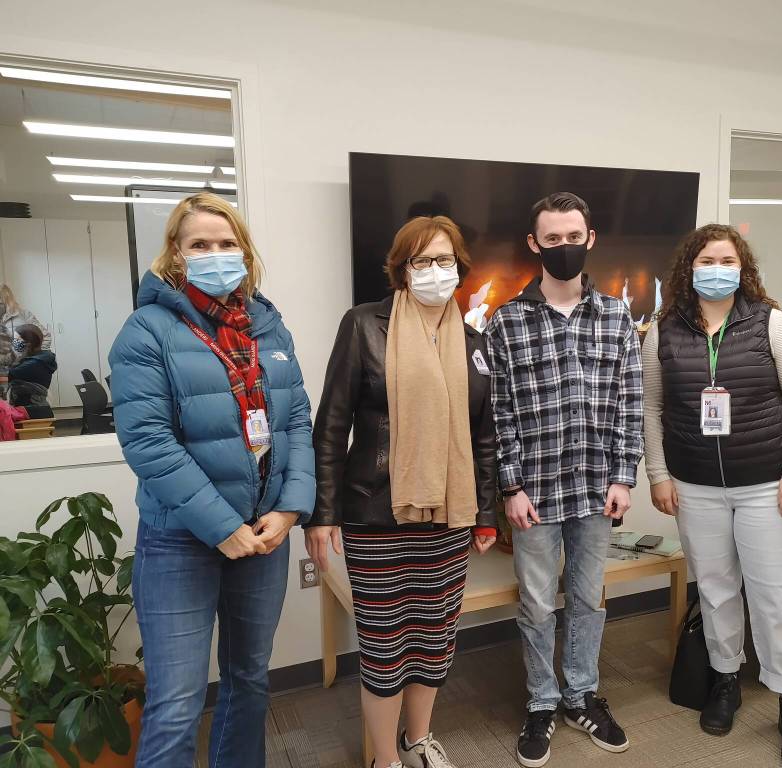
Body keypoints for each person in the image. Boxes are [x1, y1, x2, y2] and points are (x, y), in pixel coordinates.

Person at [108, 192, 315, 768]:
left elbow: (297, 420)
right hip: (181, 541)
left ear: (245, 254)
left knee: (250, 682)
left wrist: (292, 508)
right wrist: (222, 525)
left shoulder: (268, 327)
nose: (215, 255)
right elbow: (149, 442)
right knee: (176, 703)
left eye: (227, 245)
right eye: (200, 245)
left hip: (264, 535)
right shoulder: (145, 332)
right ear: (176, 255)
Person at [306, 215, 498, 768]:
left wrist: (485, 513)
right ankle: (384, 759)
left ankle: (420, 742)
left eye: (443, 261)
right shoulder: (365, 324)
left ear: (459, 269)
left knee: (435, 641)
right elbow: (332, 423)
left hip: (448, 517)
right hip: (374, 510)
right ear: (401, 268)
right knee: (387, 646)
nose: (434, 271)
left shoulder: (475, 341)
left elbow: (484, 435)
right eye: (421, 261)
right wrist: (324, 512)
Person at [642, 224, 782, 768]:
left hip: (767, 485)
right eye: (707, 259)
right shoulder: (663, 329)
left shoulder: (772, 323)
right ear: (689, 268)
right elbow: (650, 407)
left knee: (776, 597)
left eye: (728, 259)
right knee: (715, 591)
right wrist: (658, 474)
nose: (717, 267)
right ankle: (725, 681)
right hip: (695, 486)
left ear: (743, 269)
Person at [485, 192, 643, 768]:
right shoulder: (505, 322)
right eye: (551, 239)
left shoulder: (617, 316)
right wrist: (510, 488)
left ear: (589, 238)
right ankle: (541, 702)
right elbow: (498, 414)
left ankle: (579, 694)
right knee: (535, 604)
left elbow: (629, 401)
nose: (563, 247)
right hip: (534, 492)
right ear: (534, 244)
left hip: (598, 491)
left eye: (572, 237)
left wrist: (624, 478)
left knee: (586, 599)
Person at [1, 285, 52, 400]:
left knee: (28, 406)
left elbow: (45, 336)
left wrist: (32, 360)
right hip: (5, 373)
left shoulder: (24, 315)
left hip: (24, 372)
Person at [7, 324, 57, 410]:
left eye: (17, 340)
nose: (14, 342)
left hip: (31, 410)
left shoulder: (34, 364)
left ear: (28, 343)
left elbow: (9, 374)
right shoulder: (35, 358)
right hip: (30, 408)